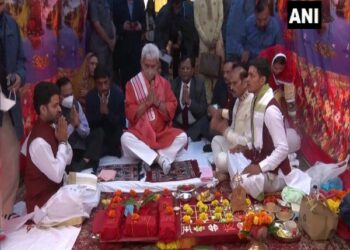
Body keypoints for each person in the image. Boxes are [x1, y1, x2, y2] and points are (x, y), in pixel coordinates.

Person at [235, 58, 304, 200]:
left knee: (241, 181)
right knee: (230, 158)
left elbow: (283, 148)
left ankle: (266, 187)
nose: (247, 79)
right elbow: (256, 137)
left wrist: (260, 167)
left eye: (252, 76)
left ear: (262, 80)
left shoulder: (270, 109)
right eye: (247, 75)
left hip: (275, 172)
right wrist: (244, 147)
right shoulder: (256, 100)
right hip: (259, 158)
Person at [121, 43, 187, 175]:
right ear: (141, 63)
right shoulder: (132, 84)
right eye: (147, 66)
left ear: (158, 65)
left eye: (153, 66)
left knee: (183, 137)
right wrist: (146, 103)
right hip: (140, 135)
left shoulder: (164, 83)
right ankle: (160, 159)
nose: (150, 70)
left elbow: (171, 112)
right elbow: (130, 114)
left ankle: (149, 158)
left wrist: (157, 103)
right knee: (125, 139)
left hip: (161, 133)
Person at [24, 82, 72, 213]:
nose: (60, 109)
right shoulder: (38, 142)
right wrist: (62, 142)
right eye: (55, 106)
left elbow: (69, 159)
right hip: (42, 207)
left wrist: (63, 141)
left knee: (90, 190)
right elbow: (57, 175)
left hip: (55, 196)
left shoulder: (51, 126)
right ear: (43, 109)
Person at [0, 1, 26, 219]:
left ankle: (2, 219)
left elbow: (21, 60)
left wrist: (19, 76)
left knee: (10, 162)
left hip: (7, 102)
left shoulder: (11, 24)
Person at [210, 66, 254, 177]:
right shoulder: (239, 99)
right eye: (230, 84)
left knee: (220, 158)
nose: (231, 87)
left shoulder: (251, 103)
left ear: (245, 82)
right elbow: (234, 115)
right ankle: (223, 172)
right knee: (216, 140)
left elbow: (247, 142)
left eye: (235, 83)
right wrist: (220, 112)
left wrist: (225, 130)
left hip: (245, 153)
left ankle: (226, 173)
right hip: (234, 146)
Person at [259, 44, 301, 153]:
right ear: (270, 63)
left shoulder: (288, 74)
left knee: (291, 137)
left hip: (279, 108)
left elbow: (290, 100)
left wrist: (294, 120)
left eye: (280, 68)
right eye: (275, 68)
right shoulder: (262, 72)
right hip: (263, 109)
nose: (277, 71)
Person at [56, 77, 104, 172]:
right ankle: (88, 161)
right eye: (66, 96)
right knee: (69, 167)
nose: (70, 98)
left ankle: (85, 161)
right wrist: (72, 126)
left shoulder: (76, 104)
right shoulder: (56, 110)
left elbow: (86, 131)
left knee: (99, 133)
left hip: (82, 146)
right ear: (59, 96)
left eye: (71, 94)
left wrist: (78, 126)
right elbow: (59, 138)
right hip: (69, 149)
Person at [86, 65, 125, 161]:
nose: (103, 87)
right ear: (95, 83)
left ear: (110, 81)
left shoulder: (118, 94)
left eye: (105, 83)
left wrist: (107, 113)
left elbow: (122, 122)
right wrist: (100, 114)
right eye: (100, 84)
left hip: (114, 137)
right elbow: (89, 124)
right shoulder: (91, 97)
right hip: (99, 140)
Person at [155, 0, 199, 78]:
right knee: (176, 68)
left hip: (187, 44)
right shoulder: (166, 10)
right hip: (174, 47)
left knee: (186, 67)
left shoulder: (188, 8)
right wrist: (162, 47)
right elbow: (160, 30)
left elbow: (192, 33)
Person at [171, 56, 209, 141]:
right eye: (182, 68)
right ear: (178, 71)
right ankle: (182, 136)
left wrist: (189, 102)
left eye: (188, 68)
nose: (185, 71)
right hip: (178, 124)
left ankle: (188, 137)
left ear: (192, 70)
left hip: (194, 125)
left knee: (204, 120)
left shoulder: (199, 84)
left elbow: (203, 110)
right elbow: (171, 111)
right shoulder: (173, 84)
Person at [194, 0, 224, 102]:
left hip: (217, 41)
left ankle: (217, 101)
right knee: (205, 72)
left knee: (217, 71)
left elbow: (221, 17)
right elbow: (197, 23)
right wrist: (206, 40)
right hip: (204, 42)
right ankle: (208, 103)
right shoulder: (197, 2)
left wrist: (215, 38)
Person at [113, 0, 145, 89]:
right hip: (123, 47)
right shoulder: (117, 3)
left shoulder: (140, 3)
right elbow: (113, 24)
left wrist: (140, 26)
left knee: (137, 78)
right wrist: (122, 27)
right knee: (125, 79)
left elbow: (144, 23)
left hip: (136, 47)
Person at [88, 0, 116, 75]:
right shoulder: (93, 3)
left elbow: (111, 21)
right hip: (99, 46)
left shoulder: (106, 2)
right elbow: (96, 25)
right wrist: (109, 42)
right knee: (100, 73)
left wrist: (114, 39)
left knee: (109, 73)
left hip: (109, 47)